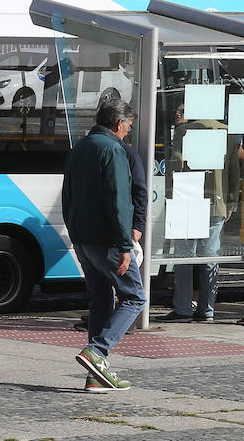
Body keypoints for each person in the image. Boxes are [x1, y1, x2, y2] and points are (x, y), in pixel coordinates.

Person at [62, 97, 146, 392]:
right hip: (108, 241)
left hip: (83, 239)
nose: (128, 133)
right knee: (135, 297)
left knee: (100, 298)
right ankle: (97, 352)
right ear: (119, 123)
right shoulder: (113, 149)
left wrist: (75, 233)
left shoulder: (80, 148)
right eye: (128, 127)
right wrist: (125, 244)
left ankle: (95, 377)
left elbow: (67, 196)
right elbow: (119, 201)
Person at [158, 101, 244, 323]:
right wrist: (231, 204)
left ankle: (183, 308)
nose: (178, 115)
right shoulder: (227, 132)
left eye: (181, 111)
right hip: (217, 206)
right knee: (210, 258)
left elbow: (176, 165)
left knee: (184, 257)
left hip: (188, 202)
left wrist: (171, 197)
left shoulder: (183, 132)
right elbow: (235, 173)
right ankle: (207, 310)